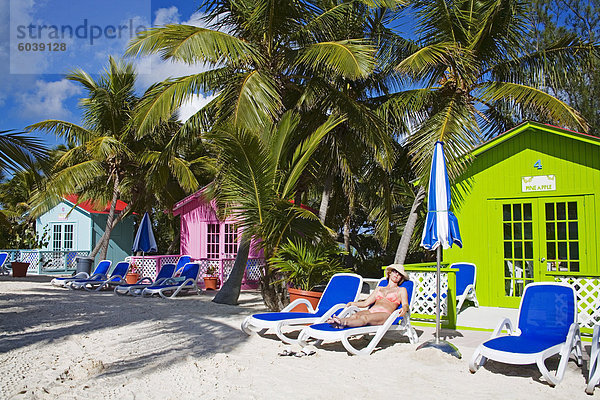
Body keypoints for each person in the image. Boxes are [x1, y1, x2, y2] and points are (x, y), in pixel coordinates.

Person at [327, 264, 409, 328]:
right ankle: (338, 321)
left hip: (385, 314)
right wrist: (352, 303)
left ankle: (342, 323)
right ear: (390, 273)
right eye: (395, 271)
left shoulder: (401, 290)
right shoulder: (379, 289)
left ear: (401, 278)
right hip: (371, 311)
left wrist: (404, 309)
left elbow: (405, 304)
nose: (397, 274)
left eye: (400, 274)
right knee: (355, 315)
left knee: (365, 318)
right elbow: (366, 303)